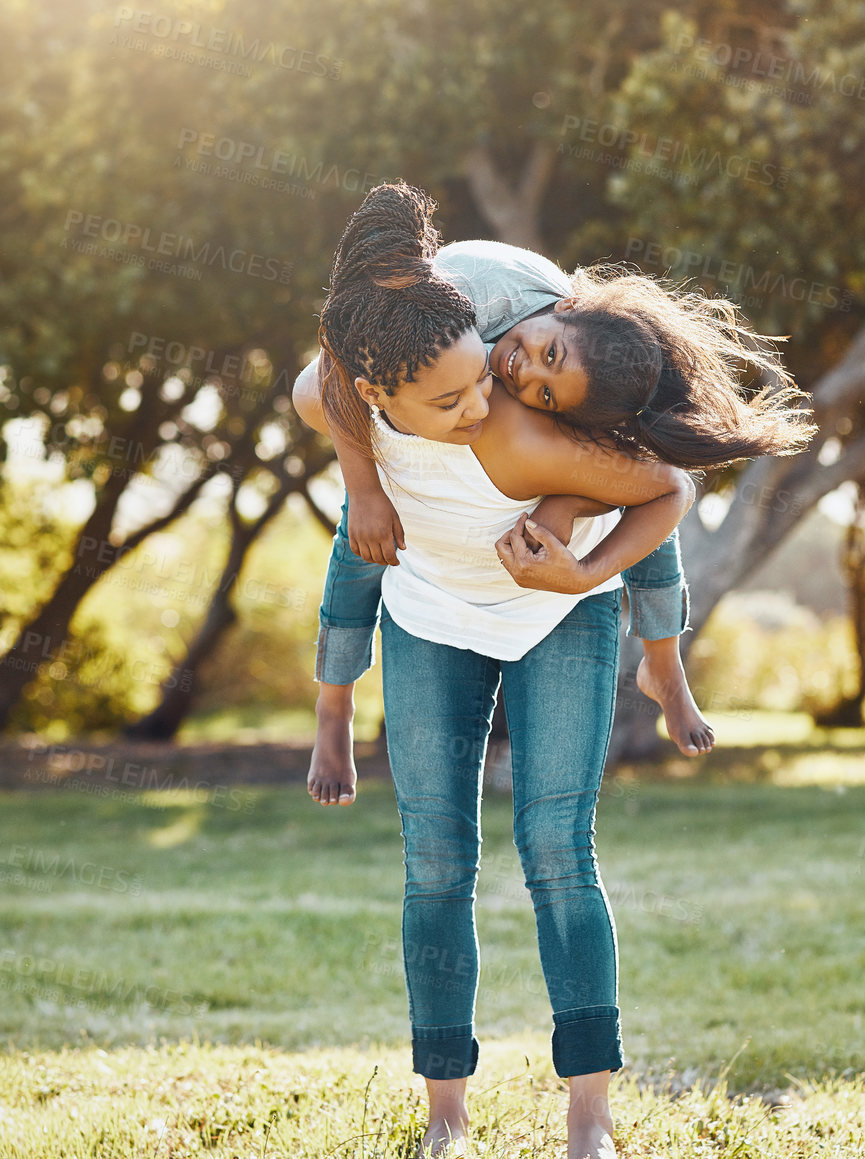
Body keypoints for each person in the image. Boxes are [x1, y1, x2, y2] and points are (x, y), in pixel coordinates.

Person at [292, 183, 809, 1159]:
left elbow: (664, 487)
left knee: (557, 851)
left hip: (555, 618)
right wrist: (361, 482)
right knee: (435, 861)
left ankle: (590, 1118)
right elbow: (321, 372)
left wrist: (574, 552)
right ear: (371, 394)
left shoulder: (528, 407)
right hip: (431, 615)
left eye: (499, 384)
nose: (492, 395)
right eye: (456, 399)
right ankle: (447, 1113)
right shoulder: (363, 373)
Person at [305, 235, 812, 805]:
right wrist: (364, 486)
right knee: (361, 537)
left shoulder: (567, 370)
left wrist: (567, 505)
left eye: (545, 397)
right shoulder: (488, 297)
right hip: (398, 395)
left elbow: (645, 484)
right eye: (547, 358)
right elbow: (335, 351)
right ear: (565, 313)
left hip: (471, 405)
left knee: (639, 491)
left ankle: (662, 661)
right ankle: (334, 704)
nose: (524, 377)